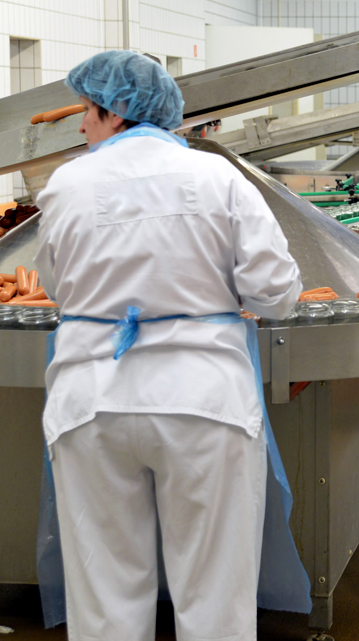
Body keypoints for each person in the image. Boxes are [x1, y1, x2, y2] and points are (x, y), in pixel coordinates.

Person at [33, 50, 306, 639]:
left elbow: (58, 288)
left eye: (86, 111)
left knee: (105, 595)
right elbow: (276, 293)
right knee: (214, 595)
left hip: (91, 404)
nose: (81, 125)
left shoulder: (67, 184)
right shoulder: (218, 177)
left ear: (115, 112)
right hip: (203, 403)